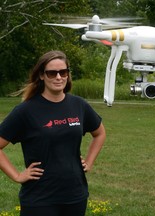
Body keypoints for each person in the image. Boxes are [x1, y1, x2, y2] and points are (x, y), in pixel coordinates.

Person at [0, 50, 106, 216]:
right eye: (52, 73)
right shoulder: (26, 110)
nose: (58, 77)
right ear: (42, 75)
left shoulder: (79, 105)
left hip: (75, 195)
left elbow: (99, 133)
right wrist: (17, 176)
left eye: (63, 72)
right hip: (39, 199)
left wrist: (89, 162)